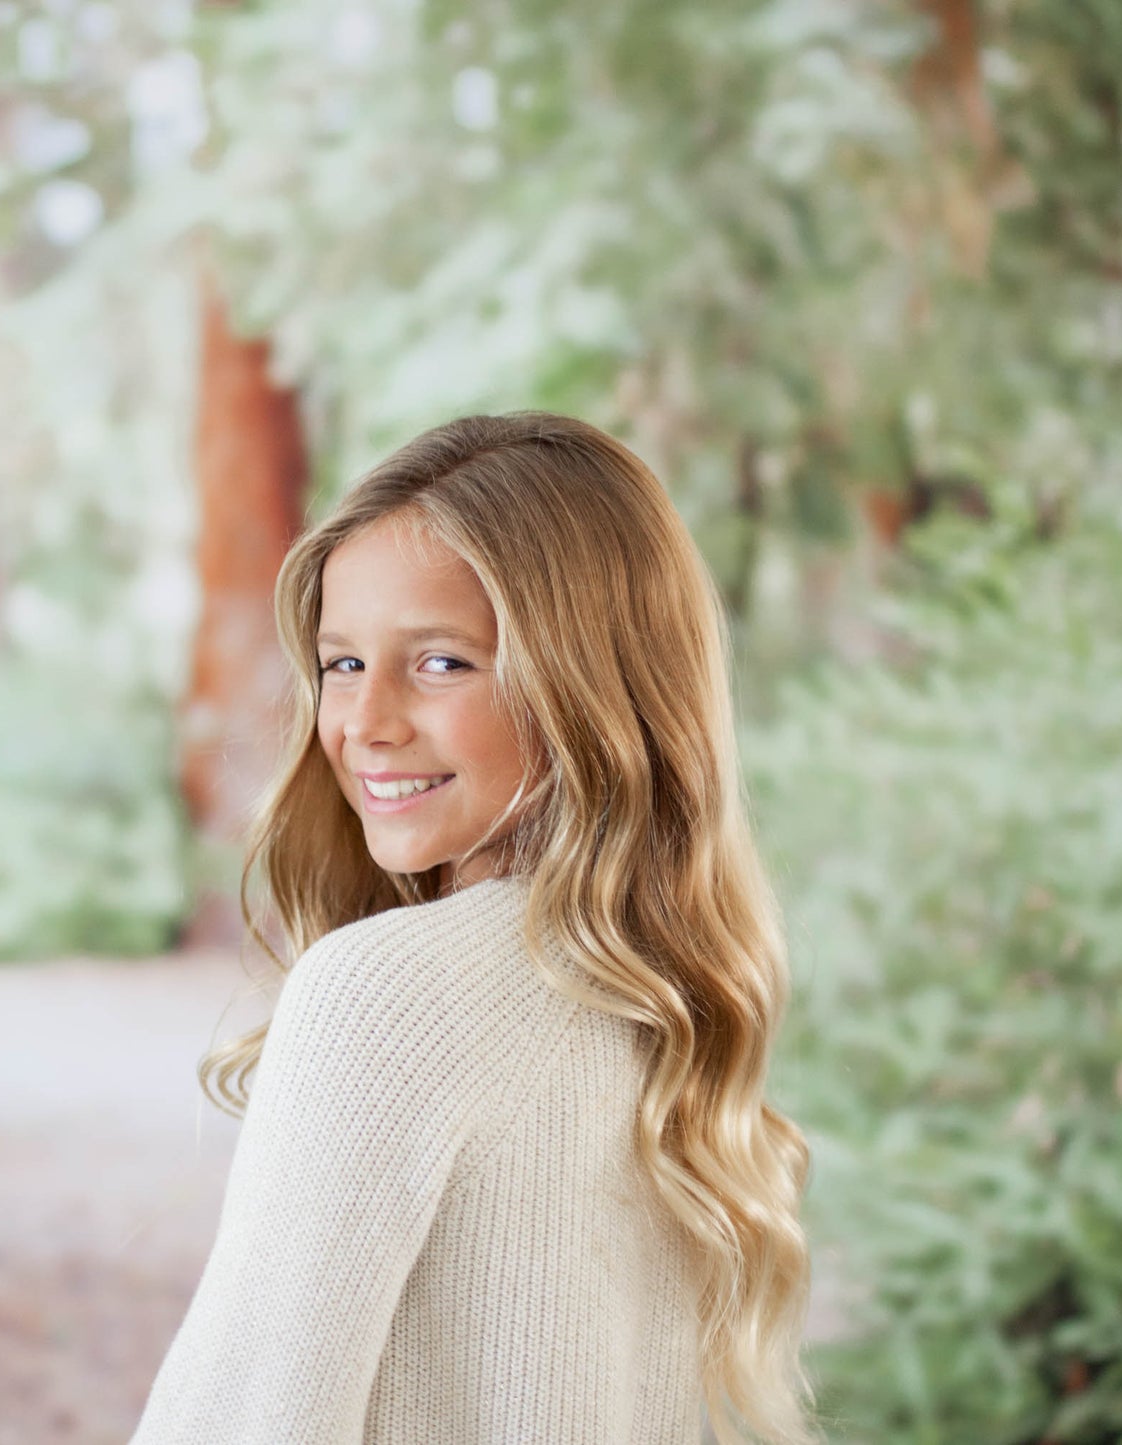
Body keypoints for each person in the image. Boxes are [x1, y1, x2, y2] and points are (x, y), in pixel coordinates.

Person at [128, 412, 815, 1445]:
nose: (364, 721)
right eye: (341, 662)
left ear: (587, 687)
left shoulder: (383, 993)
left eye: (441, 663)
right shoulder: (664, 1004)